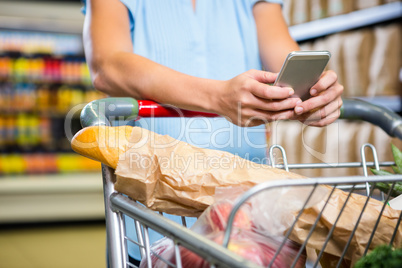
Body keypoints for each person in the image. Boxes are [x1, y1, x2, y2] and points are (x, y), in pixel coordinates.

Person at [81, 0, 343, 264]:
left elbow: (283, 59)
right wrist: (218, 97)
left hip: (249, 214)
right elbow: (108, 66)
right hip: (152, 219)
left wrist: (315, 91)